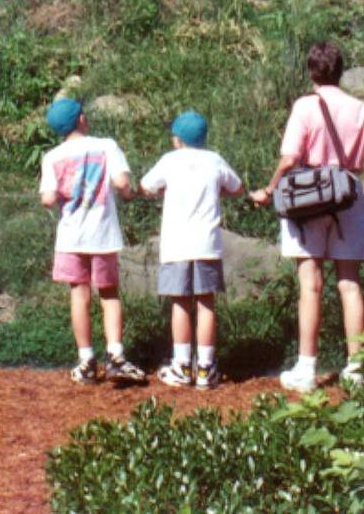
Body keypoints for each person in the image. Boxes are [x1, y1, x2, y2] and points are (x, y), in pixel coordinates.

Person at [250, 41, 364, 393]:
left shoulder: (304, 106)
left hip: (309, 197)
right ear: (341, 70)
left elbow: (288, 159)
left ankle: (306, 368)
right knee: (349, 283)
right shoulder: (360, 108)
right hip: (350, 196)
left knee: (310, 284)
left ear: (311, 72)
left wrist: (269, 192)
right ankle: (357, 368)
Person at [38, 97, 147, 385]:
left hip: (71, 237)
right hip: (102, 234)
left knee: (79, 293)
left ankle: (86, 359)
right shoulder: (106, 146)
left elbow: (48, 199)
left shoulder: (52, 157)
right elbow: (123, 183)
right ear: (82, 120)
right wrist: (129, 193)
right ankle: (116, 356)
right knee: (108, 293)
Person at [139, 110, 243, 389]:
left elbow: (145, 186)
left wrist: (162, 192)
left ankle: (182, 365)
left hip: (176, 244)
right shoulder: (214, 160)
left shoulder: (170, 161)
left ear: (177, 139)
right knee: (206, 302)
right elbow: (237, 187)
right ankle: (206, 368)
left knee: (180, 302)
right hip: (207, 243)